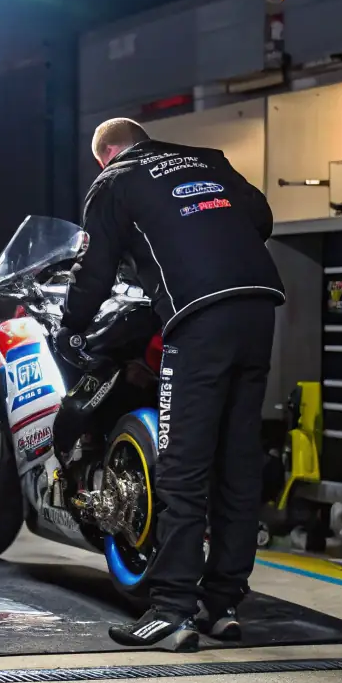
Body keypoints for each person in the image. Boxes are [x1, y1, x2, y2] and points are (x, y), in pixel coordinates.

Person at [54, 118, 283, 651]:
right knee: (238, 458)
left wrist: (72, 327)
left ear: (105, 154)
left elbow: (94, 270)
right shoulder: (211, 159)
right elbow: (261, 218)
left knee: (182, 460)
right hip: (258, 306)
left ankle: (172, 609)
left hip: (198, 317)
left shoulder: (113, 181)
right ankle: (222, 604)